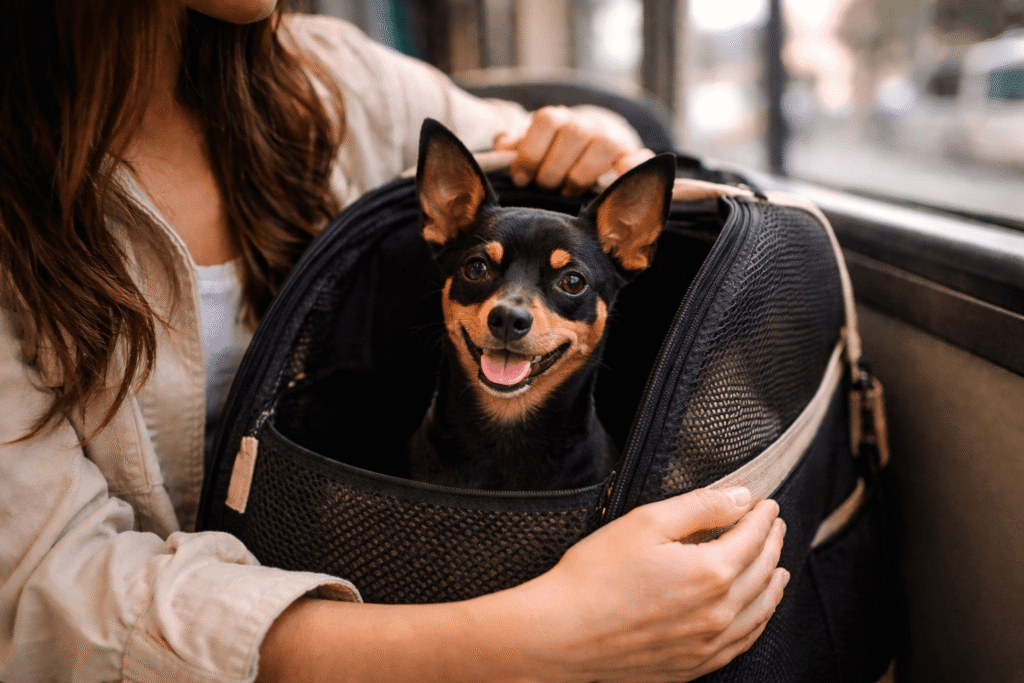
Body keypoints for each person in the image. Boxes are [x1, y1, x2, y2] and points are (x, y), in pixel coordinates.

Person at [0, 1, 789, 681]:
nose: (513, 310)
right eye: (480, 273)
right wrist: (548, 636)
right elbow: (44, 594)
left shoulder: (337, 79)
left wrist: (592, 137)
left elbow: (585, 160)